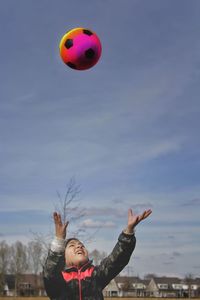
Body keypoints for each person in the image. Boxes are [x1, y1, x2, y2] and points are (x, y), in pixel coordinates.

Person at [43, 208, 152, 300]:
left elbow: (117, 260)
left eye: (81, 245)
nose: (79, 246)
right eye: (72, 245)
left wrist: (128, 232)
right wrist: (59, 240)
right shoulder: (58, 280)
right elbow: (49, 272)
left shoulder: (96, 275)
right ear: (63, 257)